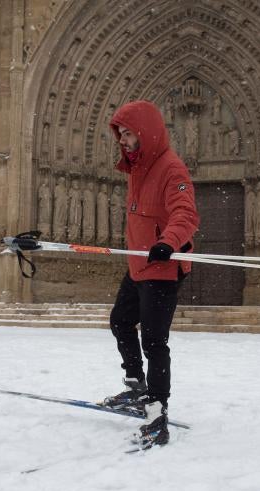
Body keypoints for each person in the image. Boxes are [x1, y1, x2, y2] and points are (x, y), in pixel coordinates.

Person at [100, 100, 200, 448]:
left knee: (154, 342)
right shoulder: (137, 170)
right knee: (120, 322)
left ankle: (157, 414)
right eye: (121, 135)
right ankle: (135, 387)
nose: (123, 141)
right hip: (139, 266)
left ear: (145, 132)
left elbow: (185, 214)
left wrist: (167, 241)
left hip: (163, 268)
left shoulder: (171, 169)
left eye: (128, 133)